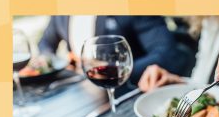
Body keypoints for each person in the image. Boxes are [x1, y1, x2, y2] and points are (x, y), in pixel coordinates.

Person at [38, 16, 186, 84]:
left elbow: (167, 53)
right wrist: (50, 61)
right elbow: (45, 44)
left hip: (125, 91)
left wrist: (115, 71)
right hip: (75, 90)